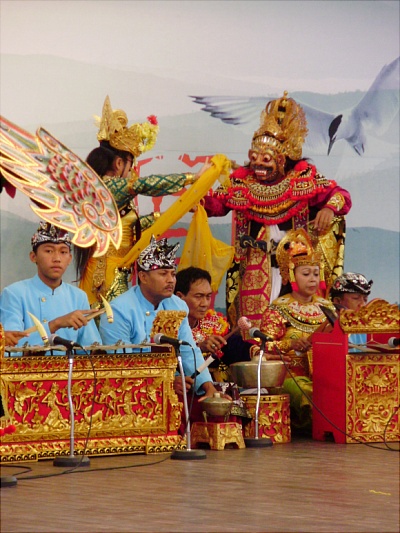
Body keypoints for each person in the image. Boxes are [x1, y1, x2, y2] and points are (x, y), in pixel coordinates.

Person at [201, 91, 352, 332]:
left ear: (282, 159)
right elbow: (217, 205)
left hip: (294, 267)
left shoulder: (303, 178)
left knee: (294, 328)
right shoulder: (242, 182)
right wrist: (197, 198)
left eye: (266, 159)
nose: (259, 164)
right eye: (255, 158)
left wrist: (329, 209)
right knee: (254, 327)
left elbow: (340, 195)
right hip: (254, 263)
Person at [75, 95, 209, 307]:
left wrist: (179, 210)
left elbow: (136, 225)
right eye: (130, 164)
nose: (132, 172)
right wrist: (192, 178)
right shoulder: (106, 187)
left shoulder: (113, 195)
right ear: (119, 163)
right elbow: (143, 185)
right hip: (105, 272)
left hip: (120, 270)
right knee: (110, 326)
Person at [98, 237, 220, 404]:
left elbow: (188, 351)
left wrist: (208, 386)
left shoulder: (177, 305)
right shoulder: (119, 311)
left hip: (167, 392)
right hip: (127, 396)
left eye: (173, 274)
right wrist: (167, 381)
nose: (170, 280)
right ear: (143, 277)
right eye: (163, 274)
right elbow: (121, 366)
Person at [251, 228, 337, 433]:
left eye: (316, 273)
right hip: (289, 376)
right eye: (306, 273)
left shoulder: (328, 307)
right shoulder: (279, 308)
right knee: (308, 390)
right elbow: (259, 348)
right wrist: (290, 344)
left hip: (324, 372)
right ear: (290, 275)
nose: (313, 279)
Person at [0, 222, 102, 353]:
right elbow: (10, 348)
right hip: (29, 371)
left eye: (63, 252)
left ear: (70, 258)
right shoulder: (14, 294)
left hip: (70, 371)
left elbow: (92, 348)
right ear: (33, 257)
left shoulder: (78, 296)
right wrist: (56, 324)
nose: (57, 258)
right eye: (49, 251)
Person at [175, 266, 251, 381]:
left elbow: (233, 346)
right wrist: (199, 349)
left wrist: (257, 352)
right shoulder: (167, 326)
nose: (205, 303)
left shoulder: (213, 322)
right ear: (179, 297)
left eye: (208, 296)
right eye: (198, 296)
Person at [329, 272, 373, 350]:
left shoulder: (370, 329)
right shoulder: (328, 328)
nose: (362, 304)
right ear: (338, 301)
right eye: (356, 298)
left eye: (365, 299)